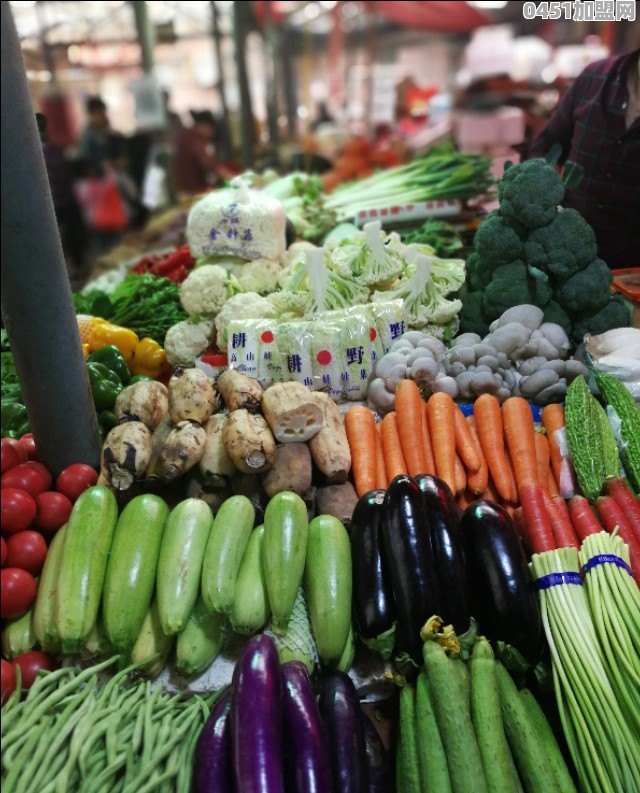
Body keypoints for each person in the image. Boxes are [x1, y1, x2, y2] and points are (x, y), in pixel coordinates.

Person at [529, 48, 640, 269]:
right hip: (564, 255)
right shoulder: (593, 77)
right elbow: (546, 145)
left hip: (633, 272)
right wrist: (543, 198)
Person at [36, 113, 88, 279]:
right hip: (58, 203)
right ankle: (70, 270)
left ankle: (73, 269)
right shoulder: (50, 150)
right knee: (64, 238)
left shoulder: (50, 150)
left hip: (60, 202)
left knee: (67, 238)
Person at [173, 110, 234, 194]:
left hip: (185, 189)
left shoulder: (188, 136)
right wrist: (234, 179)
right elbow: (212, 165)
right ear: (206, 126)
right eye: (212, 130)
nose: (212, 134)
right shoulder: (196, 141)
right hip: (192, 191)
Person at [79, 96, 114, 176]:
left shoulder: (102, 132)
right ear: (92, 114)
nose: (104, 117)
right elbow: (87, 162)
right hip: (97, 179)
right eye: (101, 113)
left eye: (104, 113)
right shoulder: (88, 136)